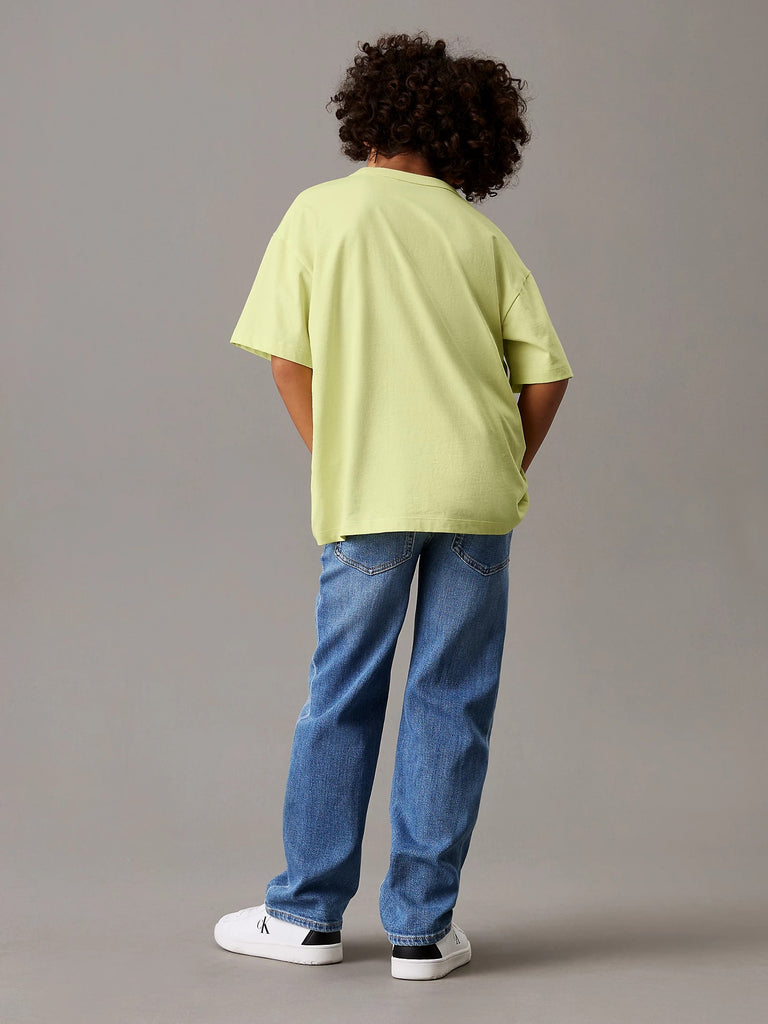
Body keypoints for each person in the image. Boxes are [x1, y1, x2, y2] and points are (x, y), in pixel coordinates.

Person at [214, 31, 573, 981]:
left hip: (371, 494)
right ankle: (421, 931)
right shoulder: (479, 235)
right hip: (479, 498)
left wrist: (339, 456)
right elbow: (545, 377)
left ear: (368, 116)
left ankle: (306, 917)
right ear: (468, 137)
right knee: (453, 703)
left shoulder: (320, 212)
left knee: (343, 695)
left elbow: (287, 360)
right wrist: (502, 465)